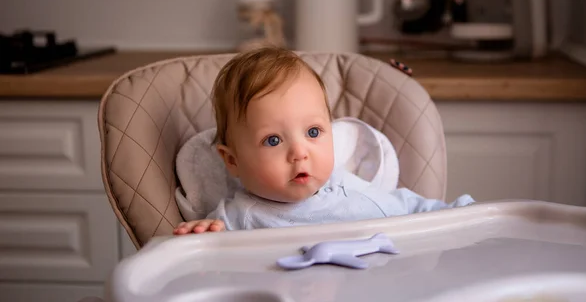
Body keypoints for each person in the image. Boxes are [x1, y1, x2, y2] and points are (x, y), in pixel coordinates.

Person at [173, 47, 474, 235]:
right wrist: (198, 234)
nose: (299, 153)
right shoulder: (236, 219)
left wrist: (464, 214)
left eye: (313, 132)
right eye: (273, 140)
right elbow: (203, 260)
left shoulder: (351, 192)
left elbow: (413, 210)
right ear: (232, 160)